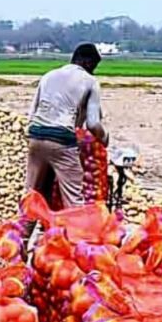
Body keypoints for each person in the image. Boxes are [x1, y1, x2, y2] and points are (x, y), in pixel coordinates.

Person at [25, 43, 108, 211]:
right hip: (61, 139)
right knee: (73, 199)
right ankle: (75, 235)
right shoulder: (90, 81)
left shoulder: (49, 75)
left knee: (33, 195)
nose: (93, 71)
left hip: (36, 137)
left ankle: (22, 236)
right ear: (88, 63)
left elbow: (31, 114)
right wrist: (104, 138)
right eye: (94, 66)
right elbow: (93, 123)